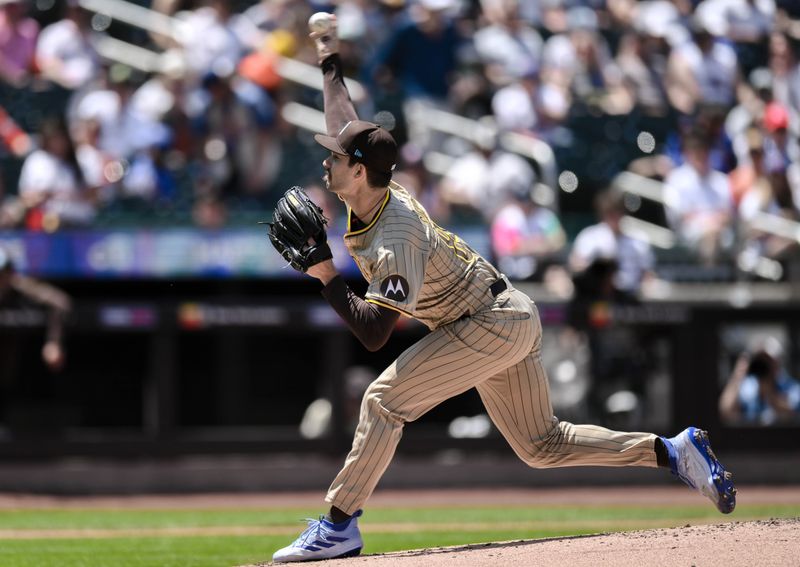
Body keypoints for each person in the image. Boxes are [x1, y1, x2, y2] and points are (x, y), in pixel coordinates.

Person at [270, 16, 737, 563]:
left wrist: (325, 273)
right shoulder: (369, 185)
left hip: (487, 322)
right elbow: (344, 119)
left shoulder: (395, 232)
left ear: (357, 170)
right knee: (543, 445)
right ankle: (673, 451)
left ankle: (339, 523)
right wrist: (329, 59)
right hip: (501, 314)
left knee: (383, 399)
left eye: (334, 157)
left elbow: (374, 335)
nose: (325, 160)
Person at [0, 247, 71, 424]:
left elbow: (60, 303)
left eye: (3, 274)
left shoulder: (20, 286)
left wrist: (53, 342)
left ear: (11, 274)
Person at [719, 342, 800, 426]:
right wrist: (738, 375)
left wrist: (769, 393)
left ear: (777, 363)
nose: (763, 366)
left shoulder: (792, 388)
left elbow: (793, 412)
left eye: (768, 361)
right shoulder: (748, 388)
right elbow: (725, 411)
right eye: (760, 362)